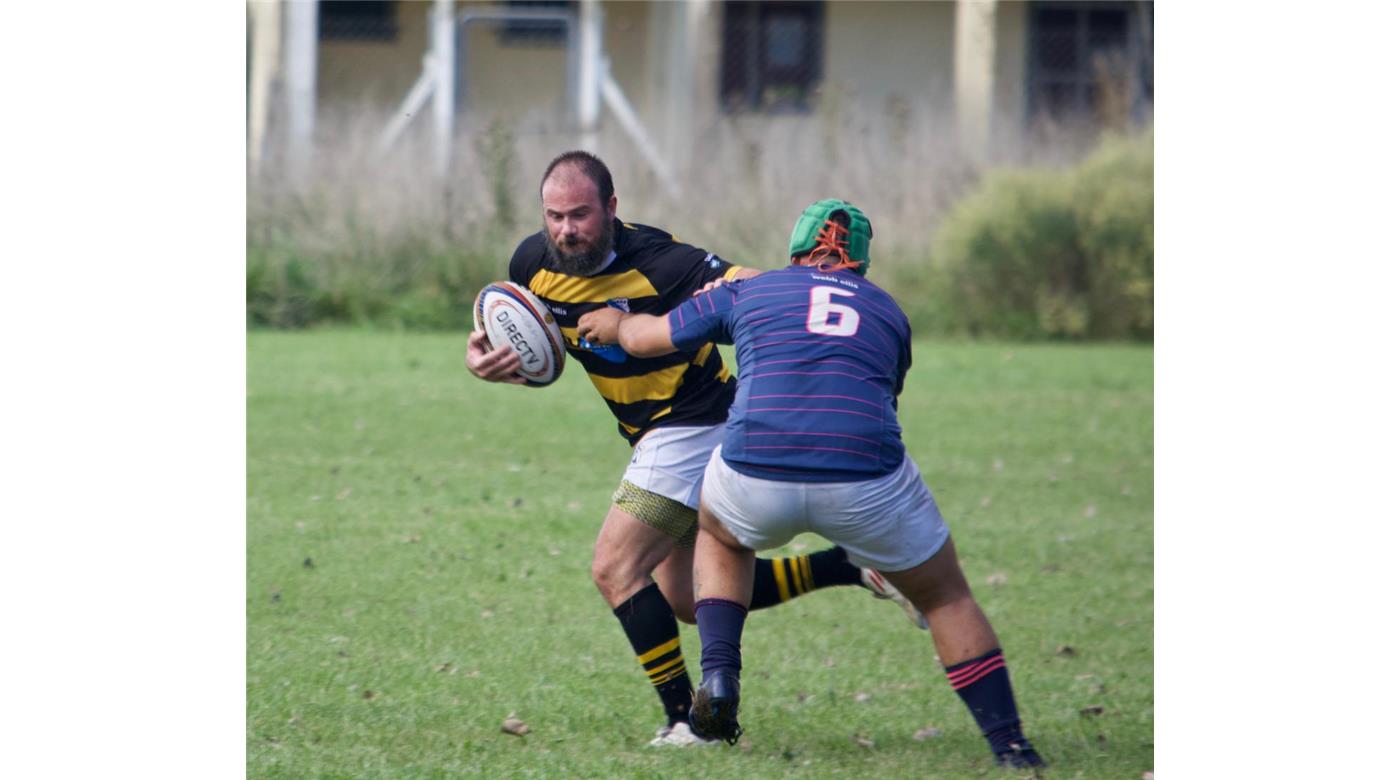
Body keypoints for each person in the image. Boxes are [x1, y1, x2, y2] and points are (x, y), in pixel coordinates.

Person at [464, 154, 924, 747]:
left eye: (579, 214)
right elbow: (532, 341)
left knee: (615, 567)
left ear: (611, 207)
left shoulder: (665, 262)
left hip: (693, 421)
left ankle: (688, 720)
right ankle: (849, 565)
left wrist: (836, 303)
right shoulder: (533, 264)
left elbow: (754, 285)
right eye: (554, 215)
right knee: (687, 597)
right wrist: (488, 361)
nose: (566, 230)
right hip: (656, 434)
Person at [584, 199, 1045, 768]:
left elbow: (649, 337)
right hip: (863, 474)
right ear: (862, 264)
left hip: (755, 466)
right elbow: (882, 390)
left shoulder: (750, 290)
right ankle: (1013, 749)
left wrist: (617, 324)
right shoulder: (889, 312)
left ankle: (721, 676)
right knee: (947, 597)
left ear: (797, 252)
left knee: (721, 537)